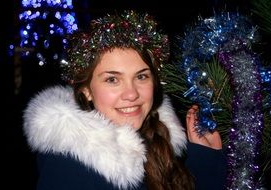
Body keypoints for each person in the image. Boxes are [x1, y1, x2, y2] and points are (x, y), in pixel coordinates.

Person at [23, 10, 226, 190]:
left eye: (141, 76)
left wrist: (205, 159)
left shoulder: (161, 143)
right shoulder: (69, 169)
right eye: (112, 79)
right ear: (86, 91)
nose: (132, 94)